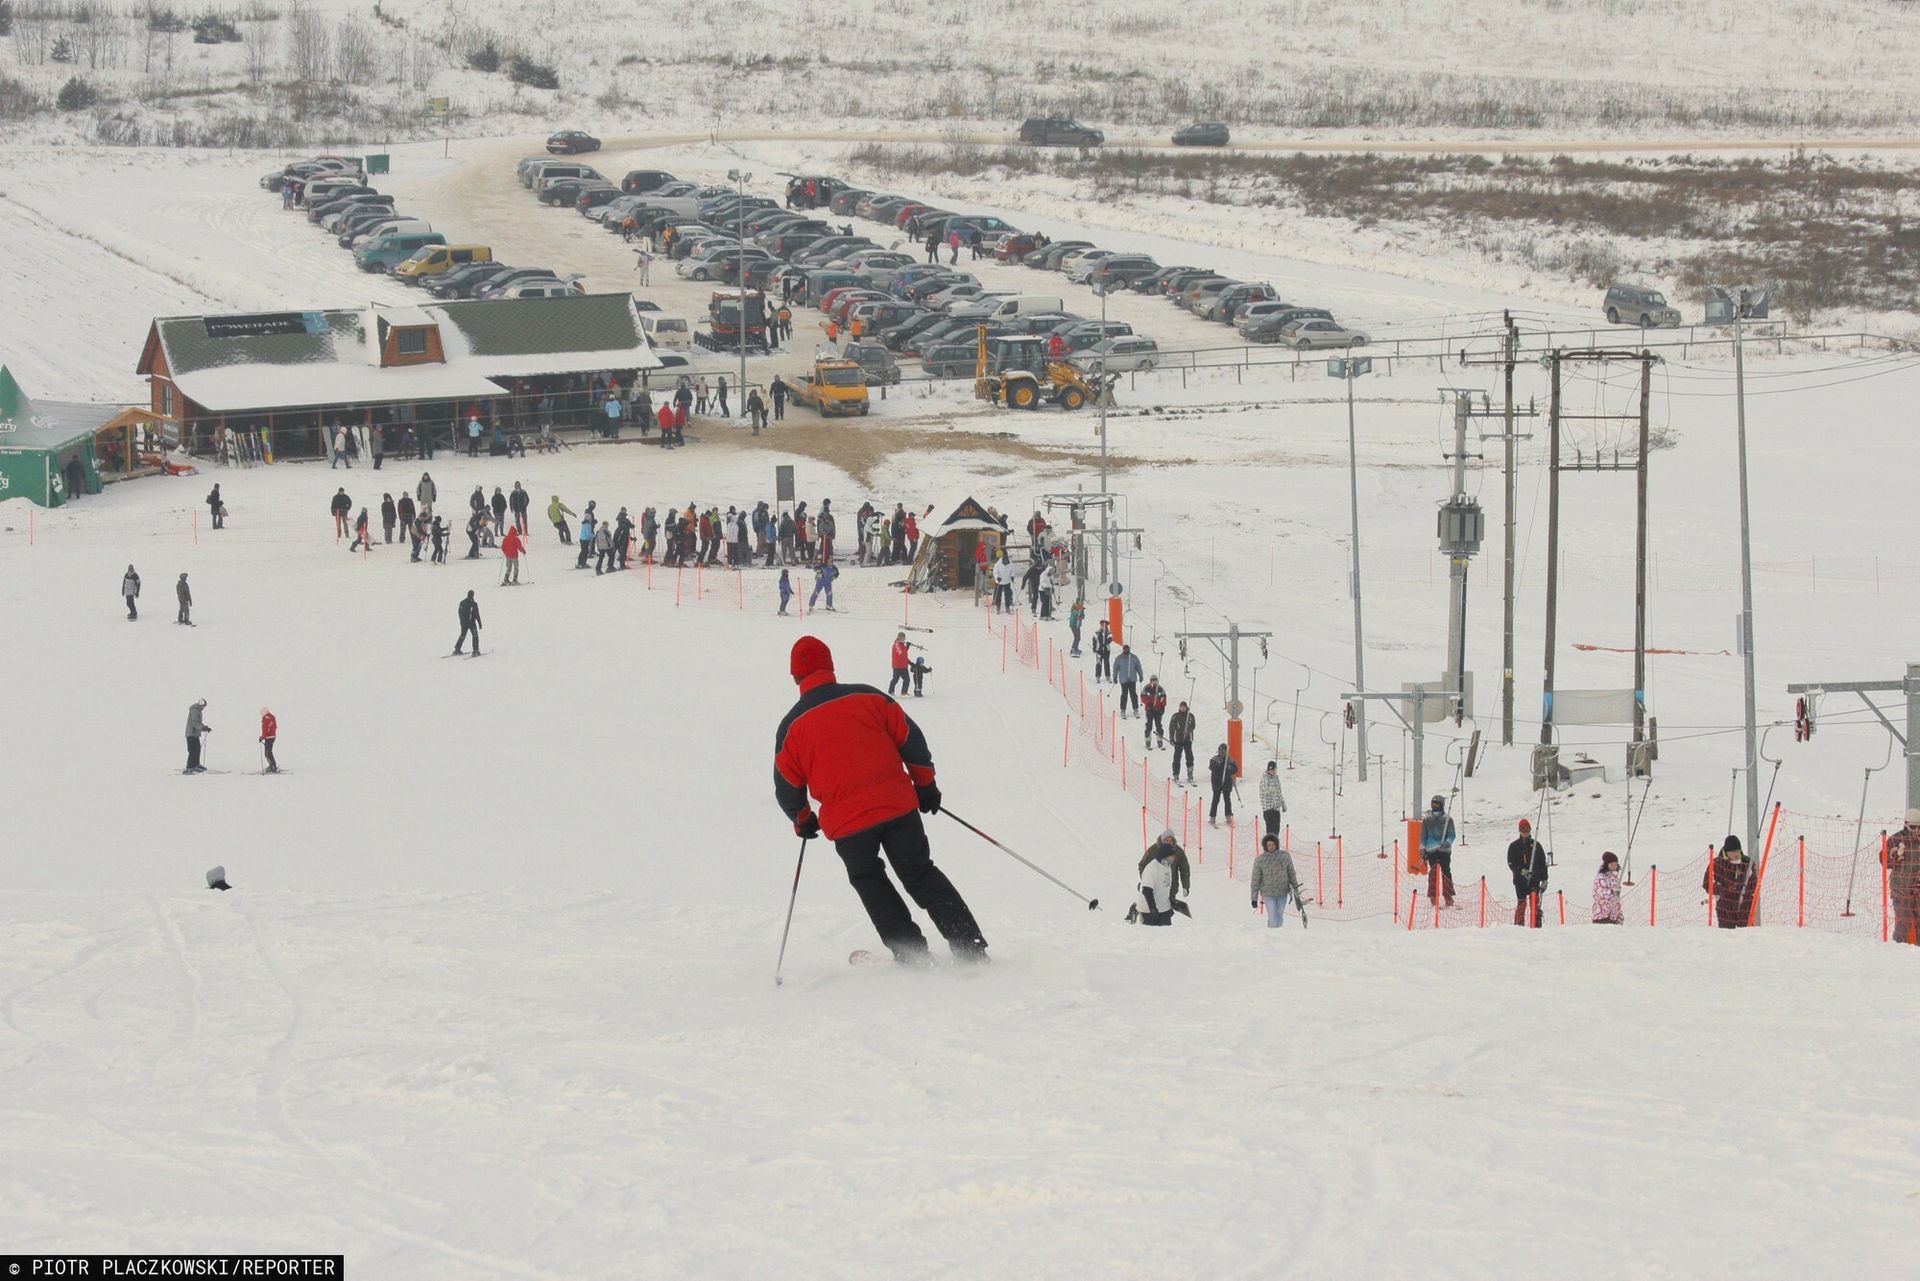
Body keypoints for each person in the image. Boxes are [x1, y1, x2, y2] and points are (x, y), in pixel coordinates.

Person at [774, 636, 989, 963]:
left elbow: (786, 785)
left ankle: (912, 955)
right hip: (897, 807)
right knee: (920, 873)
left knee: (869, 880)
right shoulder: (870, 696)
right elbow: (911, 740)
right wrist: (926, 786)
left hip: (848, 824)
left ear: (794, 676)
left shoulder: (791, 727)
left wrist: (802, 819)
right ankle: (970, 947)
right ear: (830, 666)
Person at [1250, 834, 1304, 928]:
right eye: (1269, 845)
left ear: (1276, 844)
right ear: (1265, 846)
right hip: (1268, 894)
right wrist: (1254, 898)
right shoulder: (1260, 860)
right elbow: (1255, 879)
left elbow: (1291, 873)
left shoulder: (1285, 856)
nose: (1271, 847)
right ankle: (1271, 933)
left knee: (1279, 916)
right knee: (1273, 917)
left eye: (1273, 844)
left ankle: (1275, 933)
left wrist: (1296, 891)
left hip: (1282, 893)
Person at [1703, 835, 1755, 928]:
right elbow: (1707, 884)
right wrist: (1722, 890)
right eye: (1732, 852)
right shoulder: (1717, 863)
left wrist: (1744, 892)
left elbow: (1754, 883)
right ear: (1726, 851)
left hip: (1743, 907)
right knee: (1727, 934)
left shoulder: (1747, 863)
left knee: (1745, 934)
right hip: (1725, 908)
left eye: (1737, 851)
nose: (1735, 854)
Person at [1886, 809, 1920, 945]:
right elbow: (1884, 861)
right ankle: (1898, 949)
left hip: (1917, 888)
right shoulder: (1896, 839)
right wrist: (1893, 857)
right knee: (1903, 921)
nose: (1917, 830)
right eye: (1913, 827)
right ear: (1906, 825)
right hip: (1900, 889)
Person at [1507, 817, 1547, 926]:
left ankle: (1536, 924)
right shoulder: (1514, 846)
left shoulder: (1536, 845)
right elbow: (1511, 863)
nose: (1525, 833)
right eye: (1523, 830)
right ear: (1519, 831)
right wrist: (1521, 871)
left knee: (1535, 903)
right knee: (1521, 903)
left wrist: (1545, 879)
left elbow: (1543, 863)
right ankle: (1519, 925)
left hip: (1534, 880)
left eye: (1527, 830)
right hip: (1520, 881)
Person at [1138, 829, 1190, 912]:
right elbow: (1142, 865)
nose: (1168, 842)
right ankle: (1137, 909)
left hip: (1171, 885)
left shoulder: (1178, 851)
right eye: (1166, 840)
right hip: (1156, 884)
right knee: (1151, 904)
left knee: (1166, 908)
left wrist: (1185, 886)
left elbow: (1185, 869)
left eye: (1170, 840)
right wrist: (1145, 881)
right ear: (1162, 840)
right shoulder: (1153, 850)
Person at [1422, 795, 1458, 909]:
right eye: (1433, 803)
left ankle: (1448, 896)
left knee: (1446, 872)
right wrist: (1422, 850)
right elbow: (1423, 836)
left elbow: (1452, 834)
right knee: (1433, 872)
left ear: (1441, 805)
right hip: (1431, 849)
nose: (1434, 806)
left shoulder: (1448, 820)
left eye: (1437, 804)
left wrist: (1447, 842)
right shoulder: (1427, 820)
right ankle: (1433, 896)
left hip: (1444, 850)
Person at [1134, 841, 1177, 927]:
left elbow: (1165, 887)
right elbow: (1147, 890)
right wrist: (1152, 908)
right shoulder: (1152, 868)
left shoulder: (1167, 867)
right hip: (1148, 910)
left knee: (1166, 934)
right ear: (1165, 855)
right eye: (1171, 856)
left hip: (1164, 909)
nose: (1174, 858)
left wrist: (1171, 903)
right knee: (1151, 934)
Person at [1207, 744, 1238, 826]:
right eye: (1220, 751)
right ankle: (1212, 816)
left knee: (1227, 799)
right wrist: (1220, 765)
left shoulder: (1229, 760)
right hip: (1216, 782)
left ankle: (1228, 815)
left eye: (1224, 752)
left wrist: (1229, 767)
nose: (1222, 753)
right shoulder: (1214, 759)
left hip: (1226, 782)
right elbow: (1212, 767)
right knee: (1215, 799)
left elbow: (1235, 769)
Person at [1169, 702, 1197, 784]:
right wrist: (1171, 738)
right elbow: (1171, 728)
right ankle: (1176, 774)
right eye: (1181, 707)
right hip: (1178, 740)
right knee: (1177, 758)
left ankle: (1190, 773)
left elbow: (1193, 726)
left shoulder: (1190, 716)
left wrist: (1188, 730)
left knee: (1189, 757)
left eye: (1184, 707)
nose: (1183, 708)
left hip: (1188, 740)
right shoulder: (1175, 716)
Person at [1112, 644, 1143, 718]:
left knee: (1133, 694)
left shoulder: (1134, 657)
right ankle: (1123, 710)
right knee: (1124, 694)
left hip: (1132, 679)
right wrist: (1115, 676)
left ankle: (1135, 709)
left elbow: (1138, 667)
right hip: (1123, 679)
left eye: (1127, 649)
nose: (1126, 650)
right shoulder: (1119, 658)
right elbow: (1115, 668)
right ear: (1123, 650)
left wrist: (1140, 675)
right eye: (1125, 649)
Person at [1258, 760, 1287, 840]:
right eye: (1271, 770)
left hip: (1276, 808)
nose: (1273, 772)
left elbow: (1279, 792)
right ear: (1268, 770)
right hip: (1268, 809)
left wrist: (1283, 803)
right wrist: (1271, 789)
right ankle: (1270, 845)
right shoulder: (1265, 778)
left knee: (1276, 829)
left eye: (1274, 770)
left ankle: (1275, 844)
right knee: (1270, 831)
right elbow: (1265, 790)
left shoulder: (1276, 778)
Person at [1593, 851, 1623, 924]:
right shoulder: (1600, 878)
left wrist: (1619, 915)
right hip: (1602, 916)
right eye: (1612, 864)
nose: (1614, 866)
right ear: (1606, 865)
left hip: (1614, 917)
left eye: (1616, 864)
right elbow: (1602, 894)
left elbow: (1616, 899)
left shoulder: (1615, 879)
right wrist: (1613, 892)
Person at [184, 698, 210, 772]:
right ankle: (189, 767)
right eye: (204, 706)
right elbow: (194, 722)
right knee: (192, 751)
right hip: (191, 734)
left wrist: (204, 728)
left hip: (195, 734)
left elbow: (198, 723)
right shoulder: (194, 710)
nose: (204, 708)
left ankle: (196, 764)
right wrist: (202, 728)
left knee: (197, 749)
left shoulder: (198, 711)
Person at [1141, 677, 1167, 749]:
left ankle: (1160, 741)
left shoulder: (1160, 688)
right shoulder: (1147, 688)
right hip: (1149, 710)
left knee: (1158, 725)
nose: (1154, 682)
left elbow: (1164, 698)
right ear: (1150, 681)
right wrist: (1148, 703)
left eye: (1155, 681)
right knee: (1149, 725)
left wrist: (1162, 706)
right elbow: (1143, 697)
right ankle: (1148, 741)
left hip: (1158, 710)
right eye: (1153, 681)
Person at [453, 589, 482, 656]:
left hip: (463, 623)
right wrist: (479, 623)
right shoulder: (474, 604)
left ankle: (457, 649)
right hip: (471, 623)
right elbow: (477, 614)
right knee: (475, 636)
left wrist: (461, 621)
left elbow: (459, 612)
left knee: (462, 635)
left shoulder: (462, 603)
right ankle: (475, 651)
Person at [259, 707, 279, 773]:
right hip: (272, 737)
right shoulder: (272, 718)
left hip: (268, 738)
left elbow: (265, 729)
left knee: (268, 753)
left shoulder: (266, 719)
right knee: (269, 752)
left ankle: (273, 767)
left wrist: (262, 737)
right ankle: (273, 765)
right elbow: (275, 727)